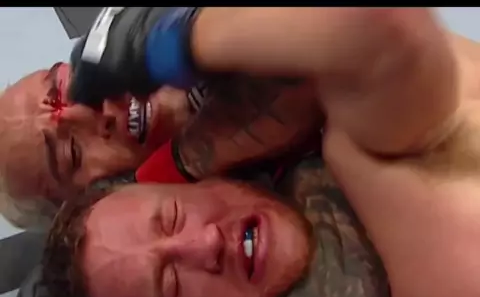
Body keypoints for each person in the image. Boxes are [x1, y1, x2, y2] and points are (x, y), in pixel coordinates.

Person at [30, 5, 476, 297]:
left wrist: (174, 35)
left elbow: (375, 26)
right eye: (172, 284)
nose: (205, 243)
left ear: (199, 183)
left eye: (174, 216)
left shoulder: (382, 150)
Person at [0, 55, 320, 228]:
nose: (93, 111)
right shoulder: (230, 241)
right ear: (91, 208)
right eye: (71, 152)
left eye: (62, 88)